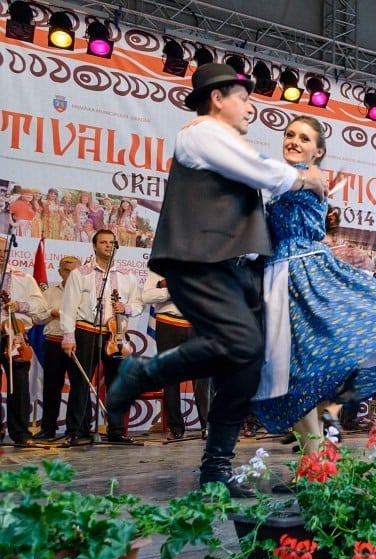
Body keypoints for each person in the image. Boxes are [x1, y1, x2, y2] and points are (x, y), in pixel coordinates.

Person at [104, 63, 331, 497]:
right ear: (217, 99)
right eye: (243, 98)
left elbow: (260, 172)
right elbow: (267, 172)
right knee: (243, 346)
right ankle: (138, 374)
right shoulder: (203, 133)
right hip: (200, 261)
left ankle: (216, 472)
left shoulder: (227, 141)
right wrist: (306, 177)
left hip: (237, 269)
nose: (251, 107)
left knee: (245, 366)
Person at [250, 115, 376, 454]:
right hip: (281, 275)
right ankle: (315, 457)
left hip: (300, 274)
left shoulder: (307, 180)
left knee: (297, 370)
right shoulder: (295, 180)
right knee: (291, 372)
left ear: (317, 152)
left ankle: (315, 456)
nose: (293, 141)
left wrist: (219, 134)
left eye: (304, 138)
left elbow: (257, 166)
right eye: (289, 134)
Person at [60, 229, 143, 446]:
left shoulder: (128, 275)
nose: (108, 245)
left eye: (111, 242)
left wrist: (126, 307)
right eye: (103, 242)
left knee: (117, 383)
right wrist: (68, 336)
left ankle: (116, 430)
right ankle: (75, 431)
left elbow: (138, 304)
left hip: (115, 334)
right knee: (80, 383)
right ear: (94, 246)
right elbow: (68, 306)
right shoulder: (81, 273)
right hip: (87, 330)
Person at [142, 269, 210, 440]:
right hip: (168, 322)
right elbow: (146, 296)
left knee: (203, 378)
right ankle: (176, 427)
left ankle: (207, 426)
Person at [0, 236, 46, 446]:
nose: (1, 253)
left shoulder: (24, 278)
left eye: (3, 250)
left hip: (16, 336)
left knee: (19, 387)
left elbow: (41, 308)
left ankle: (20, 432)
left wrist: (20, 306)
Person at [36, 255, 80, 441]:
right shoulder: (50, 292)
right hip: (54, 342)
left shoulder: (85, 291)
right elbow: (37, 317)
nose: (70, 274)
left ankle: (74, 429)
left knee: (78, 387)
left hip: (78, 343)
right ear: (60, 271)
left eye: (73, 270)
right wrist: (50, 313)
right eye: (66, 270)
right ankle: (48, 428)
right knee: (51, 387)